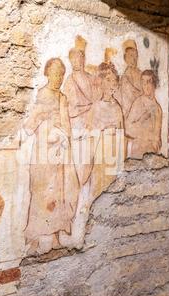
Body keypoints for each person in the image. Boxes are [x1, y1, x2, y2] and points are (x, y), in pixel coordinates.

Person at [23, 58, 79, 255]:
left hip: (59, 154)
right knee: (40, 194)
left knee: (59, 195)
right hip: (42, 153)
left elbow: (67, 126)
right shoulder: (42, 94)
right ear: (47, 73)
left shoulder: (63, 98)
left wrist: (62, 136)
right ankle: (35, 239)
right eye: (55, 74)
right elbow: (32, 123)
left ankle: (55, 236)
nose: (59, 78)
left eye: (61, 75)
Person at [63, 36, 97, 187]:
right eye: (75, 58)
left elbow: (96, 100)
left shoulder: (91, 78)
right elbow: (69, 107)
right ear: (71, 61)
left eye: (81, 57)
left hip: (91, 123)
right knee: (79, 161)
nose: (78, 60)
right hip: (77, 125)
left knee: (91, 160)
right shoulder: (70, 81)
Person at [90, 62, 125, 199]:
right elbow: (91, 135)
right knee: (100, 191)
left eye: (114, 80)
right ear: (102, 83)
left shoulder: (117, 108)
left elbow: (122, 137)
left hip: (115, 157)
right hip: (101, 157)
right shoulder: (96, 107)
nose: (112, 84)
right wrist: (103, 130)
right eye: (108, 80)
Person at [125, 70, 162, 159]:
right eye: (143, 82)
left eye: (148, 82)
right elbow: (127, 128)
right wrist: (142, 120)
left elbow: (157, 138)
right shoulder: (138, 102)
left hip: (150, 153)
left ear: (154, 85)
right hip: (137, 150)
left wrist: (154, 142)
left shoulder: (157, 109)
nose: (145, 85)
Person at [118, 40, 143, 119]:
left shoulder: (142, 75)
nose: (133, 59)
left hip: (142, 112)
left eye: (135, 55)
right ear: (125, 58)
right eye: (131, 55)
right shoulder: (124, 78)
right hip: (129, 114)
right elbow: (124, 101)